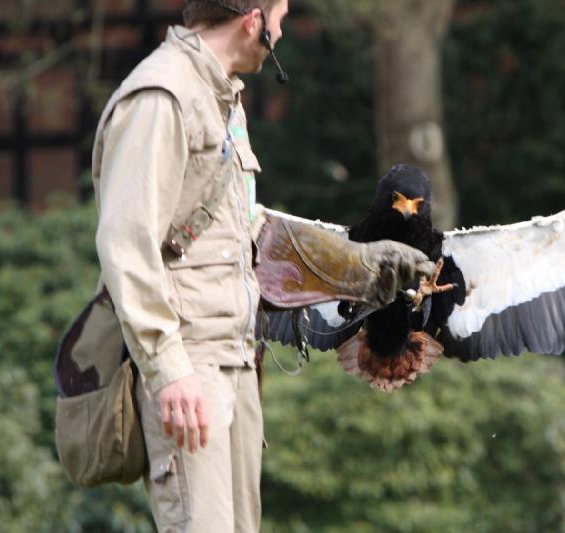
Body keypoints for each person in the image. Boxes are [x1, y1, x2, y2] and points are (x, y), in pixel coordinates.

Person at [90, 1, 431, 530]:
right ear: (253, 21)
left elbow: (246, 230)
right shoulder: (161, 97)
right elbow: (126, 244)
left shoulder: (223, 98)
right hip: (190, 363)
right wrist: (168, 369)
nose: (281, 28)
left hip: (235, 357)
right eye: (279, 16)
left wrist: (359, 267)